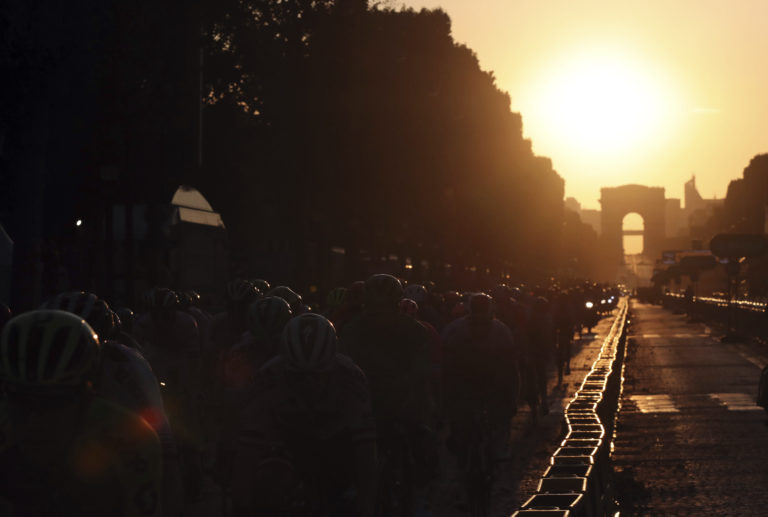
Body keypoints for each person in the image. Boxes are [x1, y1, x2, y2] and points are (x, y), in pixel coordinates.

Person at [0, 310, 162, 516]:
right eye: (21, 402)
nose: (34, 421)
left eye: (52, 404)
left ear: (86, 398)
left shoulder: (133, 439)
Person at [231, 313, 377, 517]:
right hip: (285, 437)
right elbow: (248, 451)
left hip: (335, 438)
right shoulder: (267, 378)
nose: (308, 384)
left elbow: (365, 454)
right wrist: (242, 506)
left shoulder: (351, 378)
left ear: (332, 363)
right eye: (299, 376)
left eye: (317, 375)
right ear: (285, 366)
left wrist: (366, 505)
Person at [441, 293, 518, 470]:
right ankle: (499, 448)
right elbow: (510, 367)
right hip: (481, 386)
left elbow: (446, 362)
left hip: (472, 386)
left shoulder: (455, 328)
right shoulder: (501, 329)